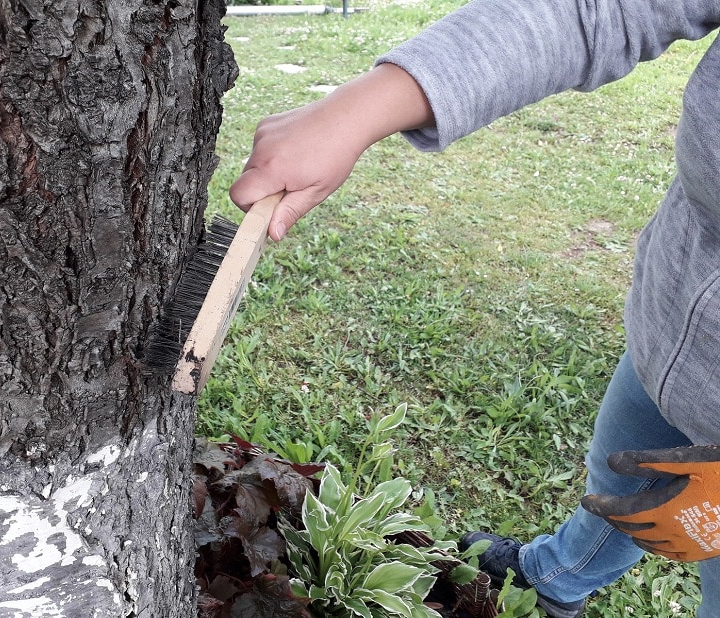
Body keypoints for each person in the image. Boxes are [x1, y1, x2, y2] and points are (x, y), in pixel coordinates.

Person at [229, 1, 720, 617]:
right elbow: (603, 10)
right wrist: (358, 110)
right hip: (673, 329)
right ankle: (556, 577)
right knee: (622, 482)